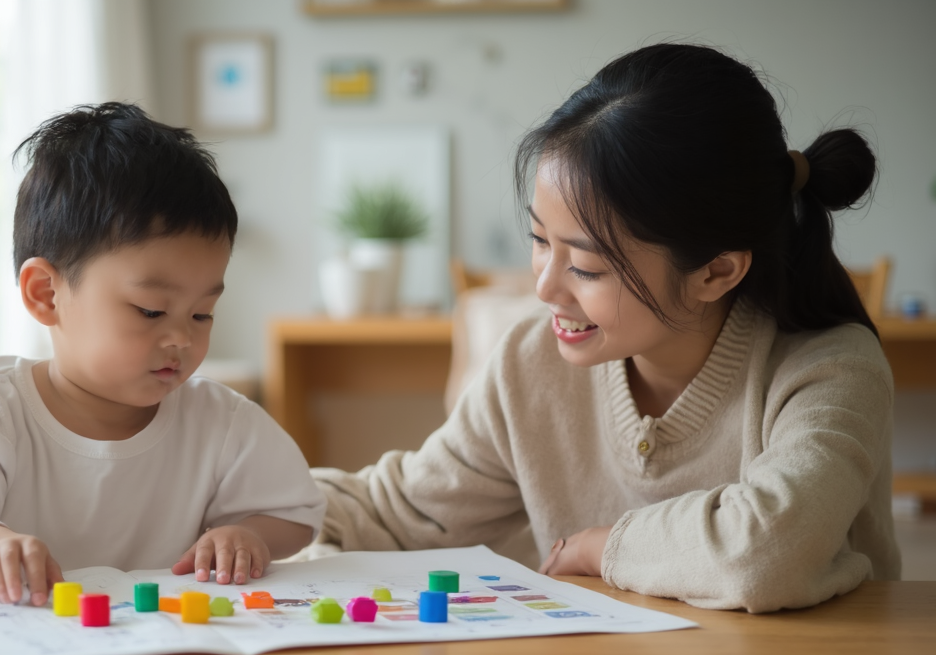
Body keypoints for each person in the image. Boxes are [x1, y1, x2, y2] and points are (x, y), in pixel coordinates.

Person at [313, 43, 901, 613]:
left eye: (586, 266)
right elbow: (395, 512)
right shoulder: (529, 362)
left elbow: (768, 551)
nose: (544, 288)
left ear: (715, 271)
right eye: (540, 240)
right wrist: (257, 511)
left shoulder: (832, 371)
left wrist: (606, 547)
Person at [0, 103, 324, 606]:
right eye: (151, 310)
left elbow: (298, 513)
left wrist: (251, 536)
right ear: (46, 294)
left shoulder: (222, 423)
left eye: (202, 314)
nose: (182, 338)